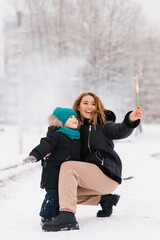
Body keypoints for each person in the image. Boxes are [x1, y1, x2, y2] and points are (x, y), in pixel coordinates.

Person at [42, 92, 143, 232]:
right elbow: (58, 139)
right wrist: (49, 151)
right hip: (90, 179)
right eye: (85, 103)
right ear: (78, 107)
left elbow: (119, 130)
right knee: (63, 192)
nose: (90, 106)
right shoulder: (73, 130)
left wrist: (130, 121)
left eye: (93, 103)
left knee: (68, 167)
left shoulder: (103, 125)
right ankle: (104, 200)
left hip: (106, 173)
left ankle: (67, 216)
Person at [23, 107, 81, 225]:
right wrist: (35, 155)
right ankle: (46, 217)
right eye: (70, 117)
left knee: (63, 197)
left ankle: (58, 215)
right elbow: (45, 145)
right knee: (53, 196)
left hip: (67, 176)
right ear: (61, 121)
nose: (75, 119)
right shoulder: (56, 136)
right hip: (53, 173)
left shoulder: (77, 137)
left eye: (75, 117)